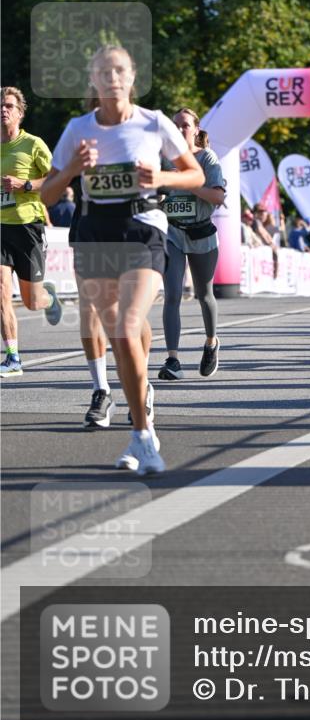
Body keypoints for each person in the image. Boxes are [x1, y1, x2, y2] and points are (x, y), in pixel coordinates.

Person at [41, 45, 204, 474]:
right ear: (93, 81)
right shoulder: (78, 129)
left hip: (142, 229)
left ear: (133, 77)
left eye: (120, 70)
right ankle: (140, 402)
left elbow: (196, 174)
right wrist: (72, 168)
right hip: (95, 233)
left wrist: (163, 176)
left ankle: (143, 436)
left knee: (128, 325)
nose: (112, 77)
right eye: (103, 71)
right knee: (117, 333)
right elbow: (47, 195)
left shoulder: (153, 123)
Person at [158, 109, 226, 381]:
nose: (179, 129)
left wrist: (187, 180)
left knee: (204, 295)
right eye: (175, 125)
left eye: (185, 125)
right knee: (172, 294)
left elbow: (217, 196)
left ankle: (211, 342)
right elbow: (153, 191)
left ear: (196, 130)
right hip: (172, 233)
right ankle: (173, 360)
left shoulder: (207, 158)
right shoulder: (163, 158)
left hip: (202, 235)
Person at [0, 86, 62, 378]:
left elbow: (55, 180)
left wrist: (24, 185)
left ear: (20, 113)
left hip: (28, 226)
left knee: (31, 301)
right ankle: (13, 357)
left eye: (9, 106)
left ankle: (49, 298)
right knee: (1, 291)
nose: (3, 110)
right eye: (0, 105)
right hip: (0, 227)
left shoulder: (33, 144)